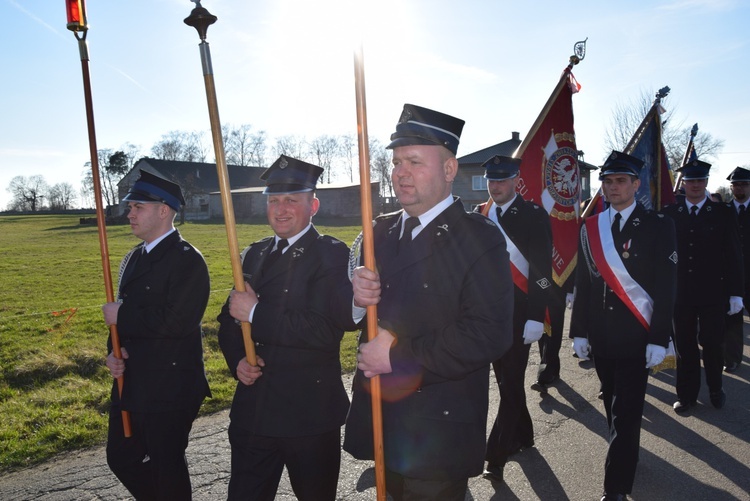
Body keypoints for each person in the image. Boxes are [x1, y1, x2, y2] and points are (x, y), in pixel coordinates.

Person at [335, 104, 514, 500]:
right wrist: (357, 300)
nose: (400, 172)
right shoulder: (377, 232)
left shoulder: (478, 238)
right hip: (385, 417)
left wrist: (397, 360)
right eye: (397, 161)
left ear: (449, 170)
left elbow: (488, 334)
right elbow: (349, 317)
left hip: (438, 426)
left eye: (415, 161)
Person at [217, 156, 351, 501]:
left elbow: (324, 331)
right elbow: (229, 320)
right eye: (273, 200)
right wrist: (238, 363)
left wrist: (257, 312)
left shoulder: (331, 255)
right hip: (254, 413)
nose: (280, 209)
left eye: (292, 200)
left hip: (308, 415)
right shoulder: (253, 254)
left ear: (313, 205)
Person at [570, 151, 677, 501]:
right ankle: (626, 454)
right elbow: (586, 283)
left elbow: (666, 285)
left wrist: (659, 338)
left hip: (637, 334)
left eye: (620, 181)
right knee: (612, 405)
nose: (613, 187)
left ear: (635, 184)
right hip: (601, 336)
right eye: (607, 181)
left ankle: (615, 487)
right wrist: (579, 331)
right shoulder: (591, 227)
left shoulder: (658, 225)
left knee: (627, 411)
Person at [103, 170, 211, 500]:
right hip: (132, 381)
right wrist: (113, 351)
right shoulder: (134, 257)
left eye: (138, 207)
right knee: (121, 457)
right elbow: (119, 317)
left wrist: (122, 315)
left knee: (166, 466)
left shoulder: (187, 260)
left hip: (171, 385)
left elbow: (178, 322)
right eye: (131, 207)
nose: (129, 213)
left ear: (163, 210)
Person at [474, 154, 552, 483]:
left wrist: (537, 316)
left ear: (516, 181)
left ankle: (496, 454)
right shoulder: (480, 214)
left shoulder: (534, 215)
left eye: (502, 180)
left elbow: (541, 270)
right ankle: (525, 434)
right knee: (508, 382)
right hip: (488, 315)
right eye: (492, 180)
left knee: (510, 383)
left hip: (521, 316)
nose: (496, 186)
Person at [662, 159, 743, 413]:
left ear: (706, 182)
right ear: (683, 183)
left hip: (713, 292)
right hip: (681, 294)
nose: (695, 185)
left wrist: (735, 293)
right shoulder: (670, 213)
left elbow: (733, 254)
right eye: (690, 180)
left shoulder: (723, 213)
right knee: (685, 347)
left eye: (700, 180)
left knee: (712, 344)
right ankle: (686, 396)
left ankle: (716, 389)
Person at [724, 166, 750, 373]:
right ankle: (732, 359)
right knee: (732, 320)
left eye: (744, 184)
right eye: (736, 184)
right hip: (731, 275)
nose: (740, 188)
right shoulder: (722, 212)